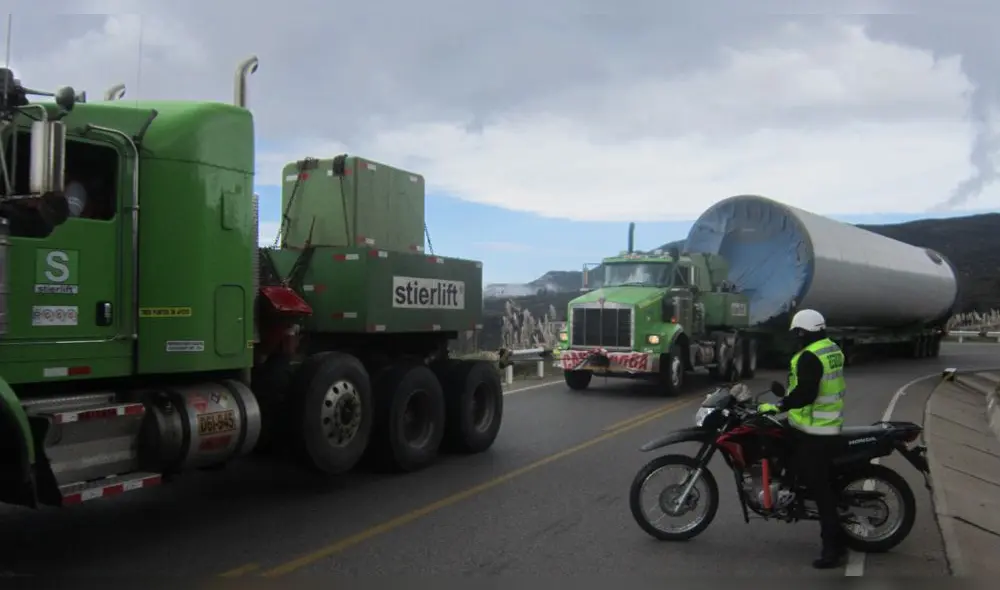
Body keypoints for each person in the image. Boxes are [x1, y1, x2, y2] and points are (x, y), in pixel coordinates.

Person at [757, 308, 847, 569]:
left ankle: (833, 548)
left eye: (797, 334)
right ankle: (788, 490)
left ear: (802, 332)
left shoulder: (809, 356)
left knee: (820, 488)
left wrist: (779, 405)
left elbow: (807, 393)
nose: (796, 338)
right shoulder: (830, 348)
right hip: (820, 424)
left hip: (816, 431)